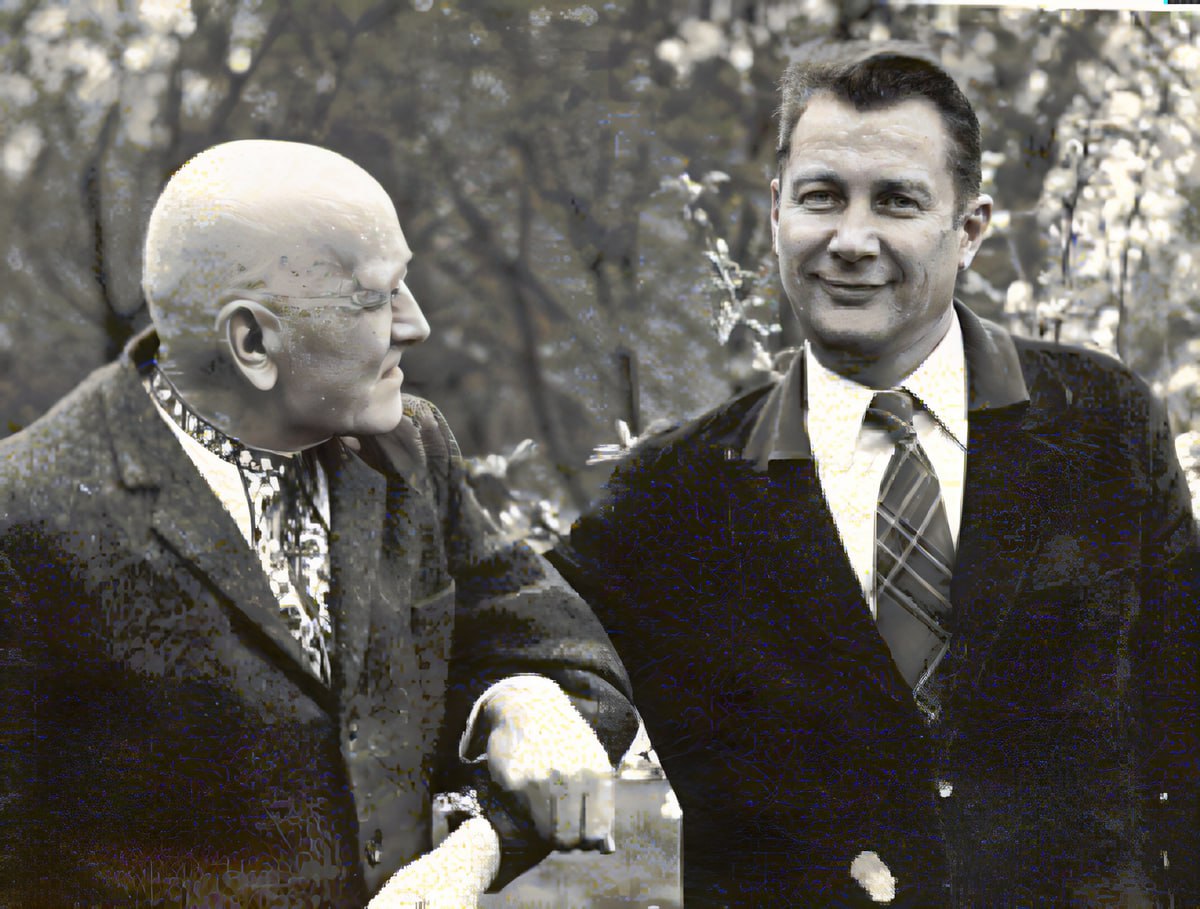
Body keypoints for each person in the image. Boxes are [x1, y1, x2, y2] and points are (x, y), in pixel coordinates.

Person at [551, 43, 1199, 907]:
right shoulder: (676, 493)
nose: (851, 240)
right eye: (821, 196)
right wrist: (524, 703)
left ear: (970, 229)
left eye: (896, 200)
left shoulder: (1104, 426)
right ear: (776, 210)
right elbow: (526, 638)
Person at [0, 140, 638, 907]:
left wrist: (507, 734)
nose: (416, 324)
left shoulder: (409, 448)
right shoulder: (27, 515)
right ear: (252, 341)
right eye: (376, 298)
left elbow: (572, 666)